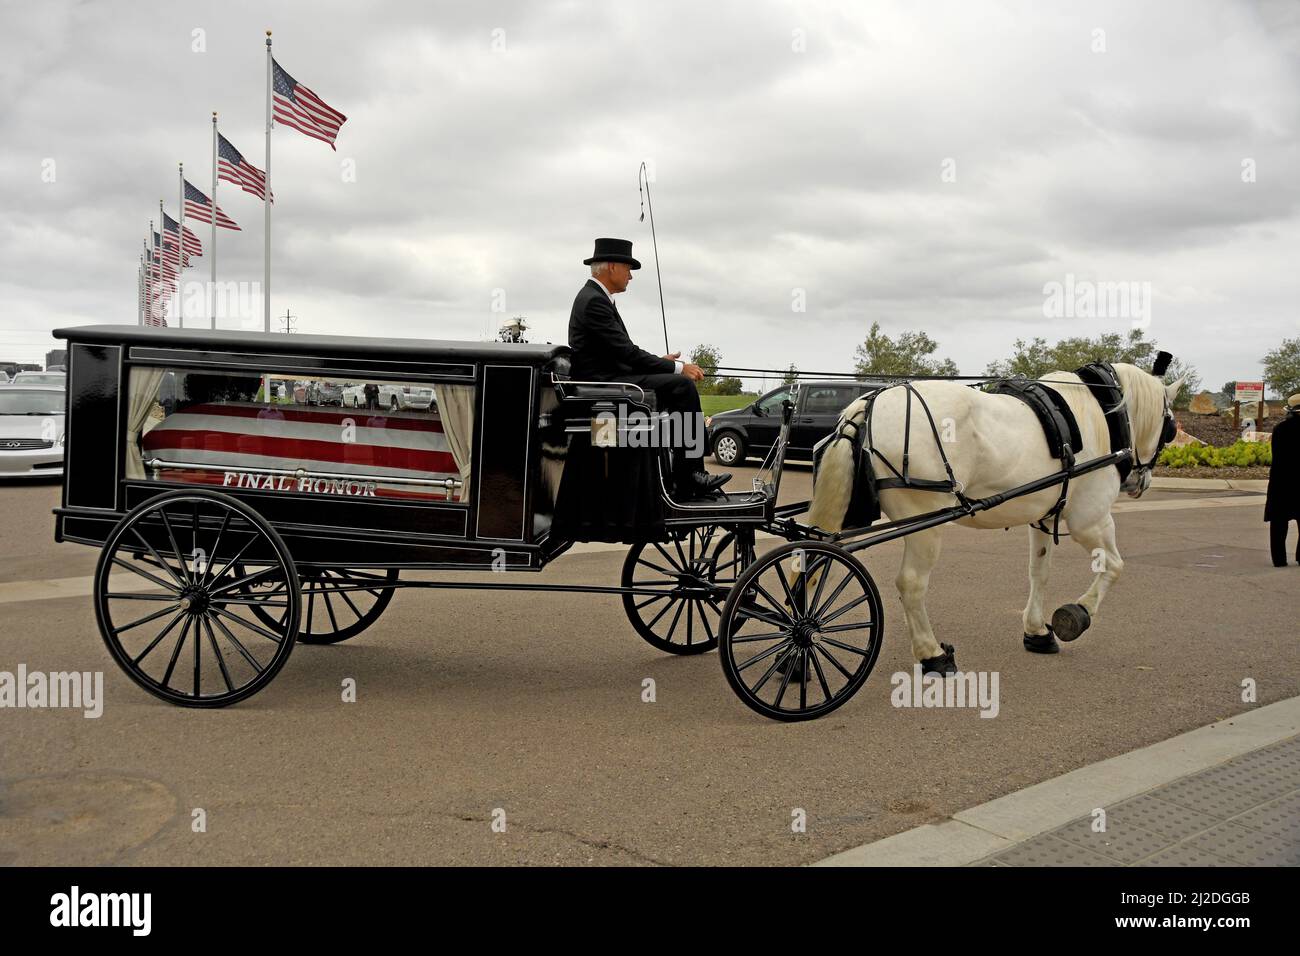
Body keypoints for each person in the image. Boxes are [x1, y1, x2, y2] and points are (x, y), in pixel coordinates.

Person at [568, 238, 730, 500]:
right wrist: (677, 368)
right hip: (605, 387)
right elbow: (627, 353)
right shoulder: (594, 302)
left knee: (676, 383)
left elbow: (619, 352)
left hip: (611, 379)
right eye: (628, 268)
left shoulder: (595, 298)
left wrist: (662, 362)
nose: (630, 276)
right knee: (682, 386)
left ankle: (685, 468)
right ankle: (690, 474)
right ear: (611, 267)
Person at [1266, 393, 1300, 567]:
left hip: (1282, 481)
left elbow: (1277, 455)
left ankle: (1279, 559)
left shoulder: (1280, 429)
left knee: (1279, 522)